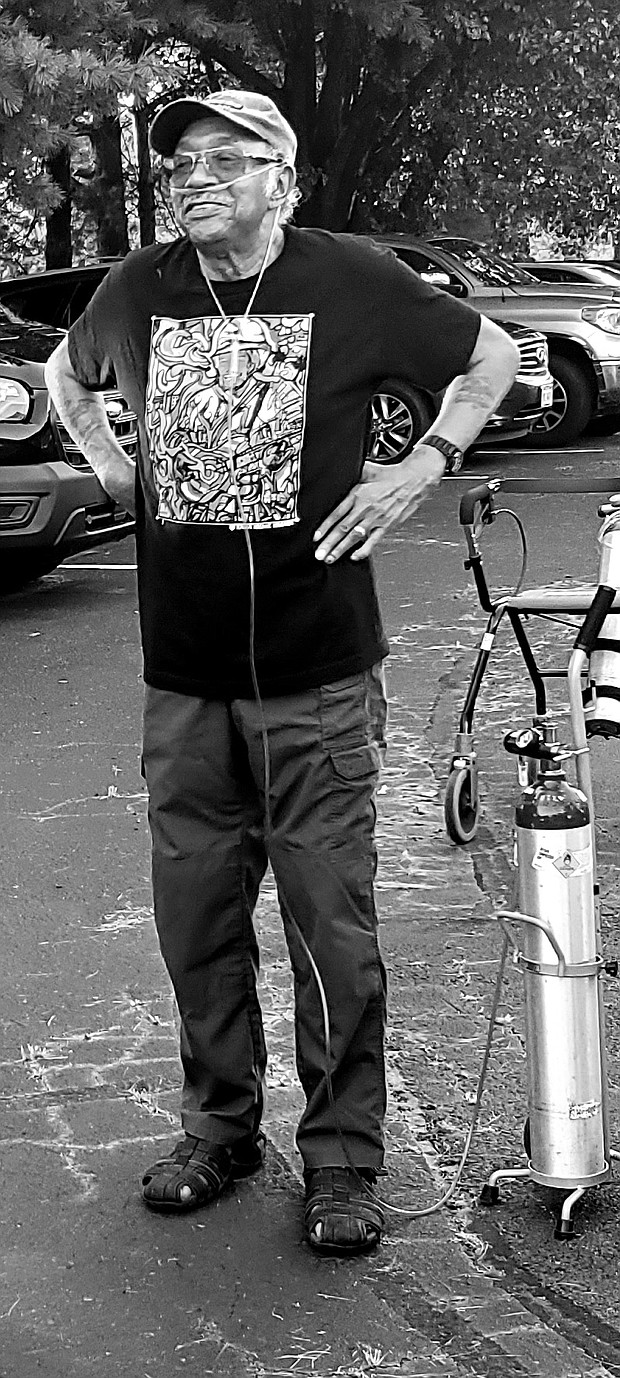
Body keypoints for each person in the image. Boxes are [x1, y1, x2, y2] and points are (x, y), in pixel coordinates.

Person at [44, 88, 519, 1257]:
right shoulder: (136, 289)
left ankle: (344, 1160)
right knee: (197, 918)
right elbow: (67, 374)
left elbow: (491, 353)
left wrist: (421, 465)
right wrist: (111, 466)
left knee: (328, 927)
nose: (194, 178)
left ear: (281, 180)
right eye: (180, 165)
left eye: (224, 159)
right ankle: (219, 1128)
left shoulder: (349, 279)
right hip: (187, 677)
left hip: (316, 674)